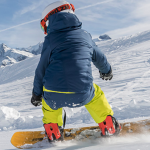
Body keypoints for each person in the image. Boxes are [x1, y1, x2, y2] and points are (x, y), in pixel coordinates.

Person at [31, 0, 120, 142]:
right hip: (83, 92)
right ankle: (107, 125)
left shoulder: (50, 40)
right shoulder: (85, 36)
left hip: (54, 95)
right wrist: (106, 71)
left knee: (49, 105)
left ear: (50, 21)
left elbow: (40, 70)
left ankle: (54, 132)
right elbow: (100, 58)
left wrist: (36, 94)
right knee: (96, 96)